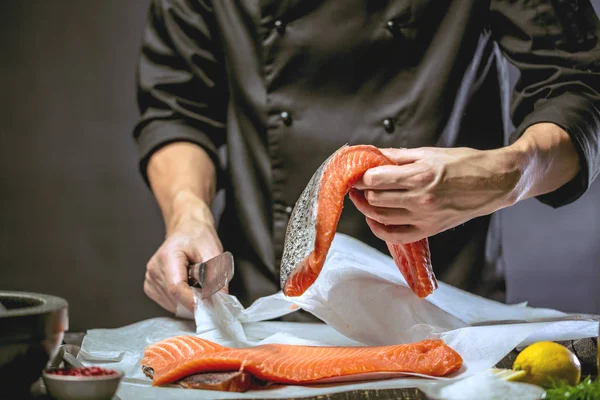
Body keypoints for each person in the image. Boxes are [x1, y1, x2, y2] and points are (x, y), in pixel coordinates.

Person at [133, 0, 600, 319]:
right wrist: (187, 214)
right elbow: (177, 107)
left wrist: (504, 175)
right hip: (267, 303)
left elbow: (580, 86)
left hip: (448, 302)